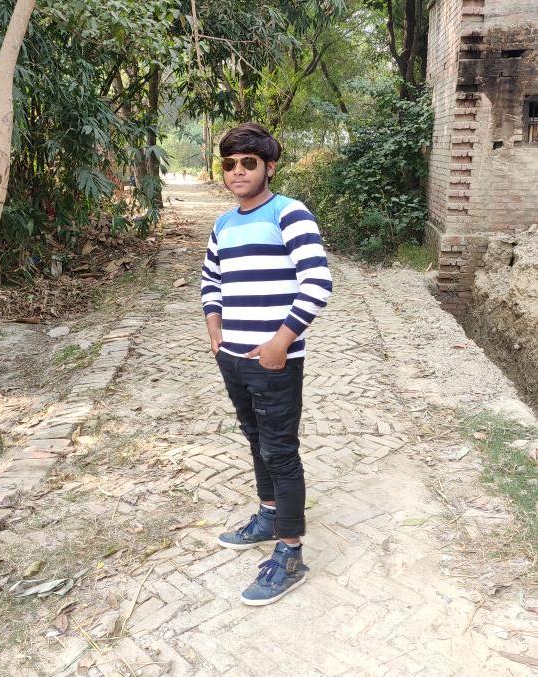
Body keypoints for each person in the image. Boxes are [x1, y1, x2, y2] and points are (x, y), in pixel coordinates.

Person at [200, 122, 332, 605]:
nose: (237, 171)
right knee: (256, 439)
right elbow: (211, 279)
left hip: (275, 361)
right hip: (232, 359)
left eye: (248, 163)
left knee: (280, 449)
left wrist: (281, 341)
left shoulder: (289, 213)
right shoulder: (224, 223)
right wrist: (214, 328)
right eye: (229, 164)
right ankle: (269, 514)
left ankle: (291, 552)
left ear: (269, 167)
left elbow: (317, 282)